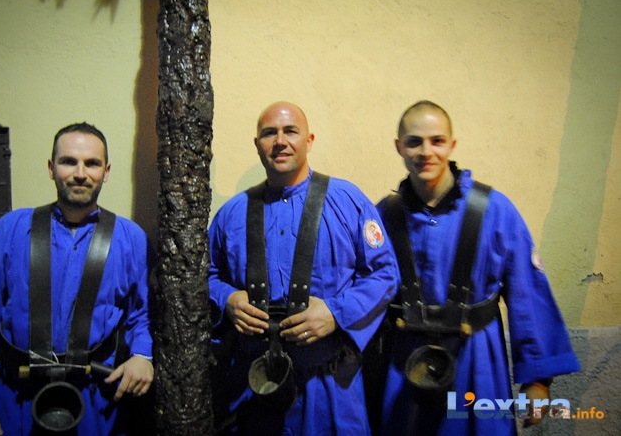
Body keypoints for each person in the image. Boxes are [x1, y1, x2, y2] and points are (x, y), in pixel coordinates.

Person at [367, 100, 580, 435]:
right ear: (399, 147)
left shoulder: (494, 210)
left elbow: (526, 290)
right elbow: (365, 287)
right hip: (404, 364)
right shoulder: (383, 215)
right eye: (414, 142)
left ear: (452, 144)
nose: (426, 151)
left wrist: (537, 379)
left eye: (437, 141)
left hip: (477, 363)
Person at [0, 122, 154, 435]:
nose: (80, 173)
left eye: (92, 163)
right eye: (68, 161)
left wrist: (142, 355)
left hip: (97, 402)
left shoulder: (131, 239)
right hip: (16, 399)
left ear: (106, 171)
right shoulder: (10, 230)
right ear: (51, 167)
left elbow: (144, 314)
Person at [208, 101, 400, 435]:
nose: (280, 141)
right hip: (255, 387)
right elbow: (205, 275)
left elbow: (384, 274)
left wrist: (335, 313)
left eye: (290, 131)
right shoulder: (231, 214)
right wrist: (227, 299)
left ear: (309, 140)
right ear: (257, 144)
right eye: (270, 133)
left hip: (331, 385)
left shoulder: (348, 201)